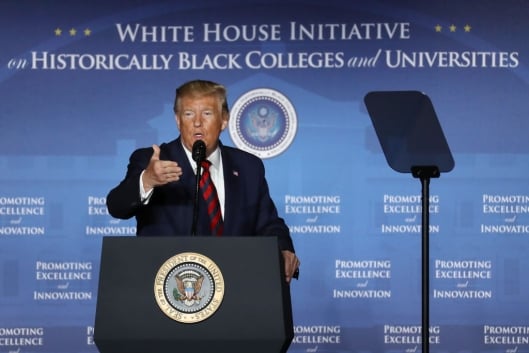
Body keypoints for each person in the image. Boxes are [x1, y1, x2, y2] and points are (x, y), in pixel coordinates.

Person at [106, 79, 300, 282]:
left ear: (224, 120)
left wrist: (283, 248)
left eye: (207, 113)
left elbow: (268, 223)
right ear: (178, 120)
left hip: (237, 287)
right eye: (188, 114)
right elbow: (116, 206)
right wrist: (146, 180)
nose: (197, 122)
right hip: (170, 289)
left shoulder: (248, 166)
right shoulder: (152, 160)